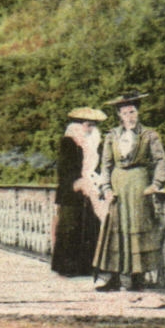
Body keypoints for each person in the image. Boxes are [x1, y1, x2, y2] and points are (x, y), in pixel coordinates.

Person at [93, 94, 165, 291]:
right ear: (119, 115)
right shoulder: (111, 136)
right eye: (125, 112)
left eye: (133, 111)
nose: (130, 116)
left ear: (138, 112)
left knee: (138, 226)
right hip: (118, 186)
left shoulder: (149, 135)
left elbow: (160, 160)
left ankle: (137, 278)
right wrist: (106, 188)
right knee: (115, 228)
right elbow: (106, 165)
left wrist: (157, 183)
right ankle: (114, 278)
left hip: (139, 185)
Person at [50, 108, 107, 277]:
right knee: (70, 225)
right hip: (71, 188)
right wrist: (76, 182)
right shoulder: (69, 142)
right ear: (79, 125)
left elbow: (96, 166)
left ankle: (87, 265)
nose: (90, 129)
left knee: (89, 225)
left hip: (89, 186)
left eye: (92, 126)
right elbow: (64, 168)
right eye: (87, 125)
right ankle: (67, 266)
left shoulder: (95, 143)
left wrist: (93, 181)